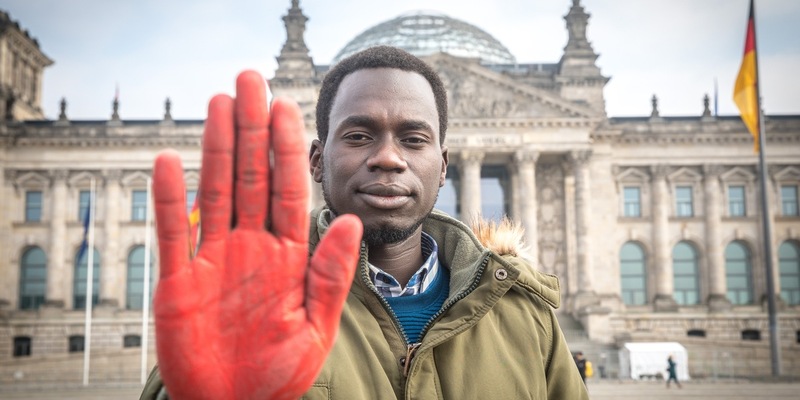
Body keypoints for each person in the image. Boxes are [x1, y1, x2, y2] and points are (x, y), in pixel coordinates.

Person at [140, 45, 588, 399]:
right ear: (316, 161)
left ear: (444, 165)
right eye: (358, 136)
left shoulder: (526, 314)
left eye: (414, 140)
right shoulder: (253, 307)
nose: (388, 158)